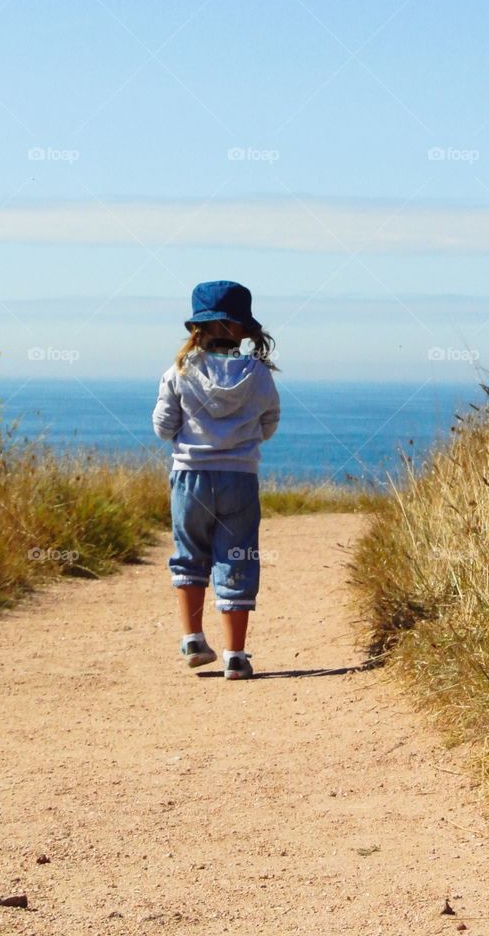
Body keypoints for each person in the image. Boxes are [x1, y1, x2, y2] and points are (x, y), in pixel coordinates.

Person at [151, 281, 280, 680]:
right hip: (239, 479)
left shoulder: (179, 371)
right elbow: (269, 423)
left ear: (197, 328)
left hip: (189, 478)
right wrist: (241, 440)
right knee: (237, 557)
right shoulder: (258, 374)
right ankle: (236, 656)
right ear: (244, 330)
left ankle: (192, 639)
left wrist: (187, 437)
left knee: (189, 556)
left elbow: (162, 426)